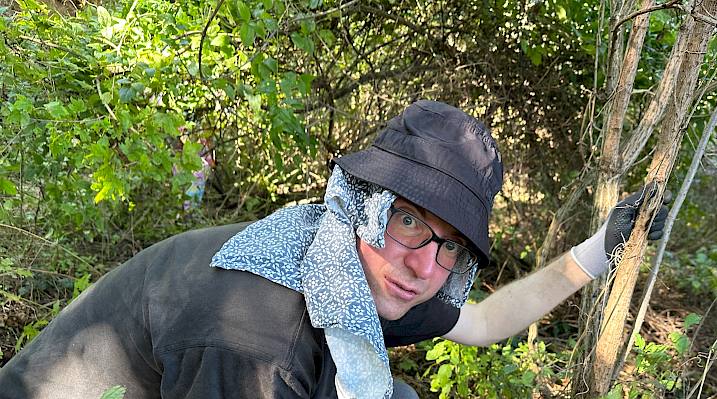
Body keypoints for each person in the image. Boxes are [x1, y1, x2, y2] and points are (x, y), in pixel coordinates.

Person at [0, 100, 669, 398]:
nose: (424, 266)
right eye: (409, 221)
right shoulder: (258, 335)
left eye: (451, 248)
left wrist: (602, 247)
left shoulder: (344, 268)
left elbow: (486, 321)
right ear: (363, 203)